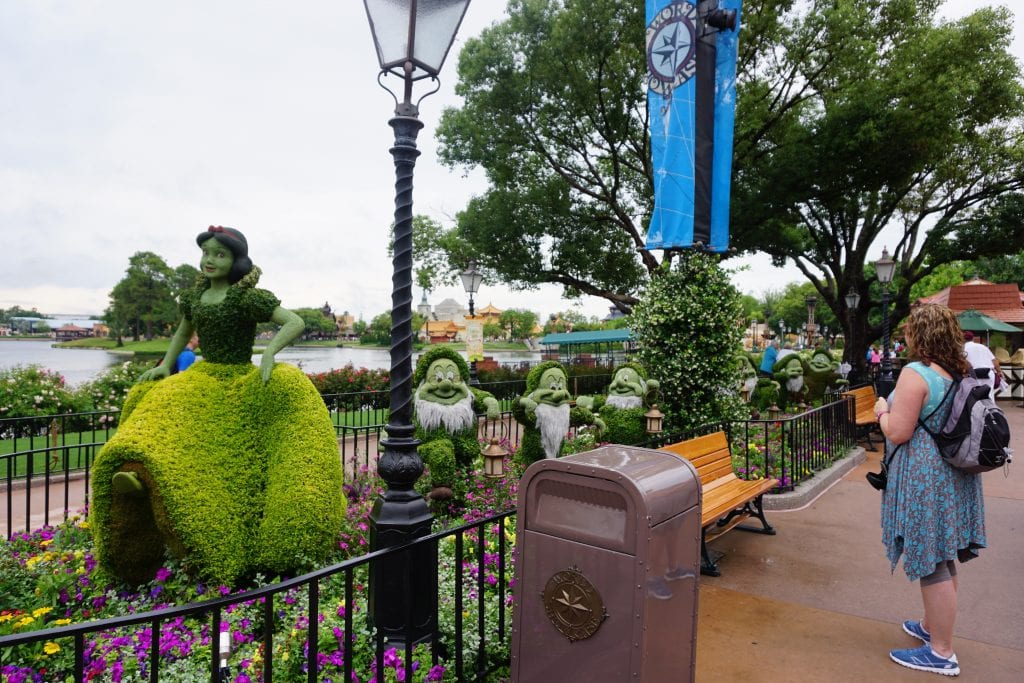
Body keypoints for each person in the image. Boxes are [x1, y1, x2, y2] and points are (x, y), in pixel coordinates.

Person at [91, 226, 345, 584]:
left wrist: (270, 351)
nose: (210, 260)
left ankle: (232, 521)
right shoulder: (194, 299)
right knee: (159, 400)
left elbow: (294, 321)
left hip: (239, 377)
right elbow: (182, 332)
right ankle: (137, 470)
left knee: (247, 428)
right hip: (203, 374)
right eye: (207, 253)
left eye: (220, 254)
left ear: (235, 260)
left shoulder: (246, 298)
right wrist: (165, 364)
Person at [872, 304, 985, 676]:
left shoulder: (916, 373)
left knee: (931, 559)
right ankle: (931, 627)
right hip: (955, 475)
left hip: (927, 478)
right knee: (943, 553)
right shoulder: (958, 370)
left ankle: (941, 651)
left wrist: (881, 411)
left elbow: (898, 431)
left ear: (919, 335)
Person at [963, 331, 1000, 400]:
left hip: (973, 373)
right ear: (973, 338)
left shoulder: (963, 349)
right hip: (988, 373)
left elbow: (963, 363)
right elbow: (994, 361)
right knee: (990, 394)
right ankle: (991, 409)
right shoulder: (983, 347)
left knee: (975, 395)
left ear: (963, 339)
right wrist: (999, 371)